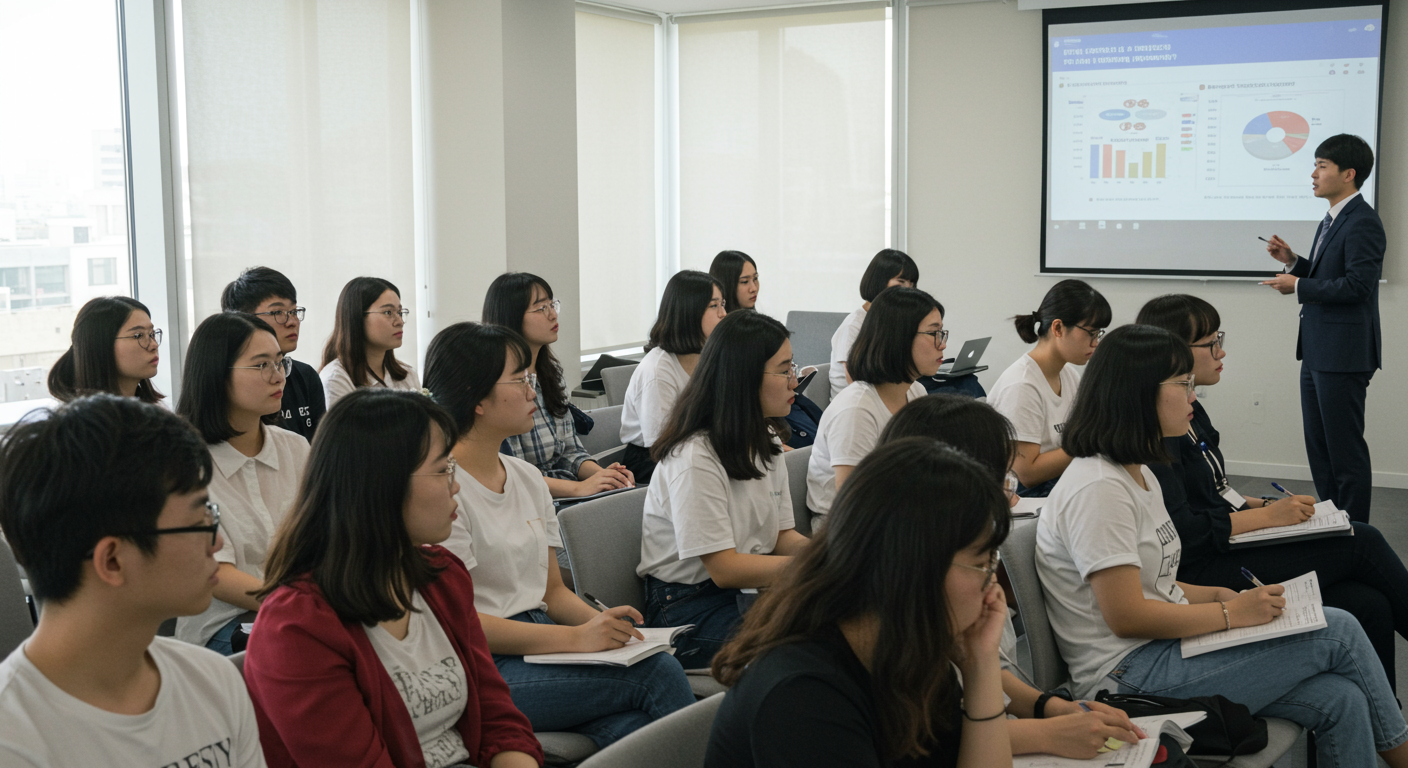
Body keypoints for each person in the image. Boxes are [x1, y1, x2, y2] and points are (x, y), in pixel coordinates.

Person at [1035, 324, 1408, 767]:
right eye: (1183, 384)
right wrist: (1231, 615)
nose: (1194, 396)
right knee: (1340, 629)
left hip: (1160, 651)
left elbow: (1158, 583)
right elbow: (1126, 615)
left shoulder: (1138, 471)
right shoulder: (1098, 488)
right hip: (1127, 677)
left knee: (1340, 697)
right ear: (1138, 392)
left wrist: (1218, 596)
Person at [424, 322, 694, 747]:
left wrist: (615, 632)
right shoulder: (443, 490)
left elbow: (552, 591)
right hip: (485, 663)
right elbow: (461, 622)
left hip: (541, 638)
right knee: (658, 677)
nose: (534, 392)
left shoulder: (527, 478)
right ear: (477, 398)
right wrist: (577, 638)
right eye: (520, 380)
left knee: (637, 727)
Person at [244, 389, 543, 768]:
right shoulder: (296, 628)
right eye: (442, 470)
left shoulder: (443, 576)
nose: (456, 485)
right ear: (382, 485)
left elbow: (497, 718)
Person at [1138, 293, 1408, 691]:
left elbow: (1216, 491)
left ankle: (1384, 727)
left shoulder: (1191, 410)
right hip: (1204, 566)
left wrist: (1266, 505)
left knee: (1367, 602)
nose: (1221, 350)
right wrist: (1266, 517)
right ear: (1172, 349)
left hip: (1224, 543)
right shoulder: (1158, 429)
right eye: (1210, 343)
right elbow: (1186, 532)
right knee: (1360, 541)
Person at [706, 438, 1014, 768]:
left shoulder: (910, 648)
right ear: (916, 569)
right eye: (982, 563)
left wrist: (980, 663)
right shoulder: (803, 697)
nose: (991, 584)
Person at [0, 395, 265, 767]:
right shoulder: (13, 739)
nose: (217, 542)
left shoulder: (212, 681)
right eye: (199, 521)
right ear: (112, 560)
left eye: (212, 514)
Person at [878, 395, 1148, 759]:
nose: (1011, 494)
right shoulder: (911, 601)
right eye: (1001, 478)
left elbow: (986, 670)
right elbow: (935, 738)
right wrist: (1044, 732)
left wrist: (1047, 707)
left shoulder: (956, 565)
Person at [640, 310, 810, 667]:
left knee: (857, 615)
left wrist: (838, 553)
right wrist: (823, 568)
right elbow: (725, 568)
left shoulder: (766, 438)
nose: (794, 381)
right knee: (813, 643)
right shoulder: (695, 454)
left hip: (749, 587)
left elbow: (782, 537)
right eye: (784, 370)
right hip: (687, 607)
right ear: (744, 376)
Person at [1261, 134, 1385, 524]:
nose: (1313, 173)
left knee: (1344, 453)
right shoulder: (1333, 218)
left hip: (1343, 353)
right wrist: (1294, 261)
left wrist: (1297, 286)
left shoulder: (1363, 221)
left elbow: (1358, 286)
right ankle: (1334, 522)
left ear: (1349, 174)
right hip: (1317, 350)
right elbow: (1328, 275)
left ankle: (1355, 533)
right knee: (1320, 449)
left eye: (1322, 165)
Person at [175, 312, 310, 655]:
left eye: (280, 362)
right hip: (224, 627)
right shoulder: (186, 463)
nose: (278, 375)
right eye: (262, 365)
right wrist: (296, 606)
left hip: (301, 613)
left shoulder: (295, 448)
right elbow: (216, 574)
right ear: (217, 375)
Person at [482, 272, 633, 498]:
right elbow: (513, 474)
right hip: (533, 500)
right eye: (541, 308)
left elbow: (570, 450)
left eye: (552, 305)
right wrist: (580, 488)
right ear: (511, 317)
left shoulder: (551, 374)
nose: (553, 315)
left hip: (568, 491)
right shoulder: (499, 386)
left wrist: (603, 476)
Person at [806, 287, 943, 525]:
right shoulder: (856, 410)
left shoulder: (916, 391)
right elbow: (853, 505)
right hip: (850, 533)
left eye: (942, 333)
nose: (942, 345)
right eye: (934, 334)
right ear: (899, 337)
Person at [988, 279, 1110, 497]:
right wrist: (1094, 442)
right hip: (1026, 498)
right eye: (1091, 333)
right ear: (1058, 327)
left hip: (1059, 484)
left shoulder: (1068, 374)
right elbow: (1027, 474)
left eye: (1099, 334)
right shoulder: (1022, 385)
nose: (1096, 343)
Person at [620, 270, 727, 484]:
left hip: (702, 449)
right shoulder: (657, 370)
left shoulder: (711, 355)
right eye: (714, 306)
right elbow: (663, 445)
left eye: (723, 304)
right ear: (690, 312)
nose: (723, 313)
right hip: (654, 461)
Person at [220, 266, 326, 439]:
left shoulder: (305, 376)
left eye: (294, 311)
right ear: (243, 319)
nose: (292, 321)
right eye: (278, 312)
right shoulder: (236, 380)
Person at [828, 249, 919, 398]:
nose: (908, 290)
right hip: (857, 402)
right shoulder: (853, 325)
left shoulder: (892, 322)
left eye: (911, 284)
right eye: (901, 282)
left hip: (888, 391)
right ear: (880, 281)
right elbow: (855, 382)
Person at [319, 276, 420, 408]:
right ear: (357, 318)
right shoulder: (336, 379)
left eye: (400, 312)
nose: (399, 321)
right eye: (388, 312)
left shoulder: (407, 374)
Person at [46, 295, 165, 405]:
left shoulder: (152, 415)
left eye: (152, 334)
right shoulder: (79, 423)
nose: (154, 345)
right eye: (138, 335)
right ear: (101, 345)